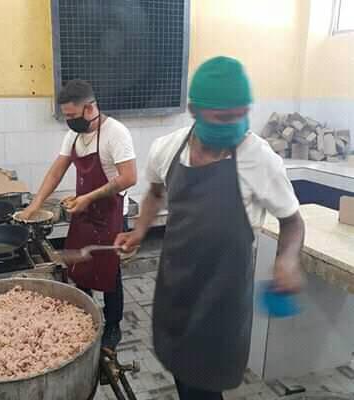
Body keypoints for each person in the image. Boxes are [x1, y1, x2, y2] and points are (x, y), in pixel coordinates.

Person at [115, 57, 305, 400]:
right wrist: (140, 230)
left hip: (222, 301)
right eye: (223, 117)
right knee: (182, 375)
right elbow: (156, 192)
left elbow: (292, 221)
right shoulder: (167, 149)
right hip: (176, 288)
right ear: (194, 110)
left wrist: (287, 260)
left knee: (204, 386)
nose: (236, 125)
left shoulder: (260, 159)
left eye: (241, 114)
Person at [20, 79, 137, 349]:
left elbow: (129, 177)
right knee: (79, 265)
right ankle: (84, 317)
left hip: (111, 212)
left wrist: (88, 197)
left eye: (71, 115)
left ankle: (113, 325)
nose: (68, 121)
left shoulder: (115, 133)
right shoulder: (73, 135)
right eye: (65, 116)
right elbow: (57, 170)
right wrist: (35, 204)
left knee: (109, 271)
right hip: (84, 210)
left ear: (90, 108)